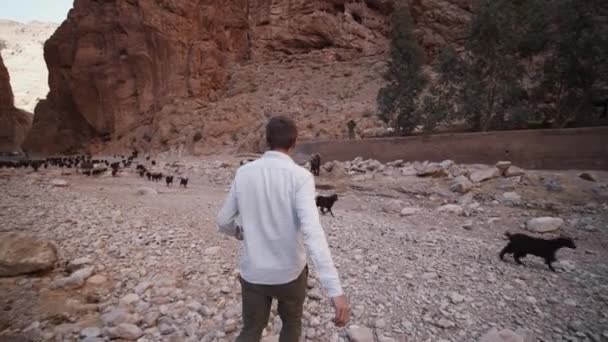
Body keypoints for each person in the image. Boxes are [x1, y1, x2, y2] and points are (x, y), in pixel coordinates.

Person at [217, 116, 349, 342]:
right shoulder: (301, 177)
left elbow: (223, 220)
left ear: (266, 141)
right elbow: (313, 234)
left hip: (254, 274)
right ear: (294, 142)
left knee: (250, 330)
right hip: (290, 274)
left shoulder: (244, 173)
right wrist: (334, 290)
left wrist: (237, 232)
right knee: (291, 326)